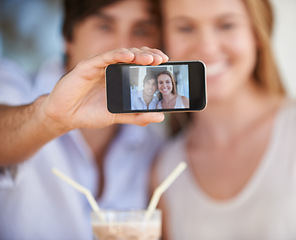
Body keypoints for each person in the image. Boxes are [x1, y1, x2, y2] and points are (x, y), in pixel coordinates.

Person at [151, 0, 296, 239]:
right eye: (185, 28)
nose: (206, 47)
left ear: (257, 34)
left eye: (227, 25)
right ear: (163, 40)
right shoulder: (164, 170)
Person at [0, 0, 169, 239]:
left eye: (141, 30)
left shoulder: (154, 142)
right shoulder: (12, 86)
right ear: (68, 37)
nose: (124, 47)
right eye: (105, 26)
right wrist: (49, 119)